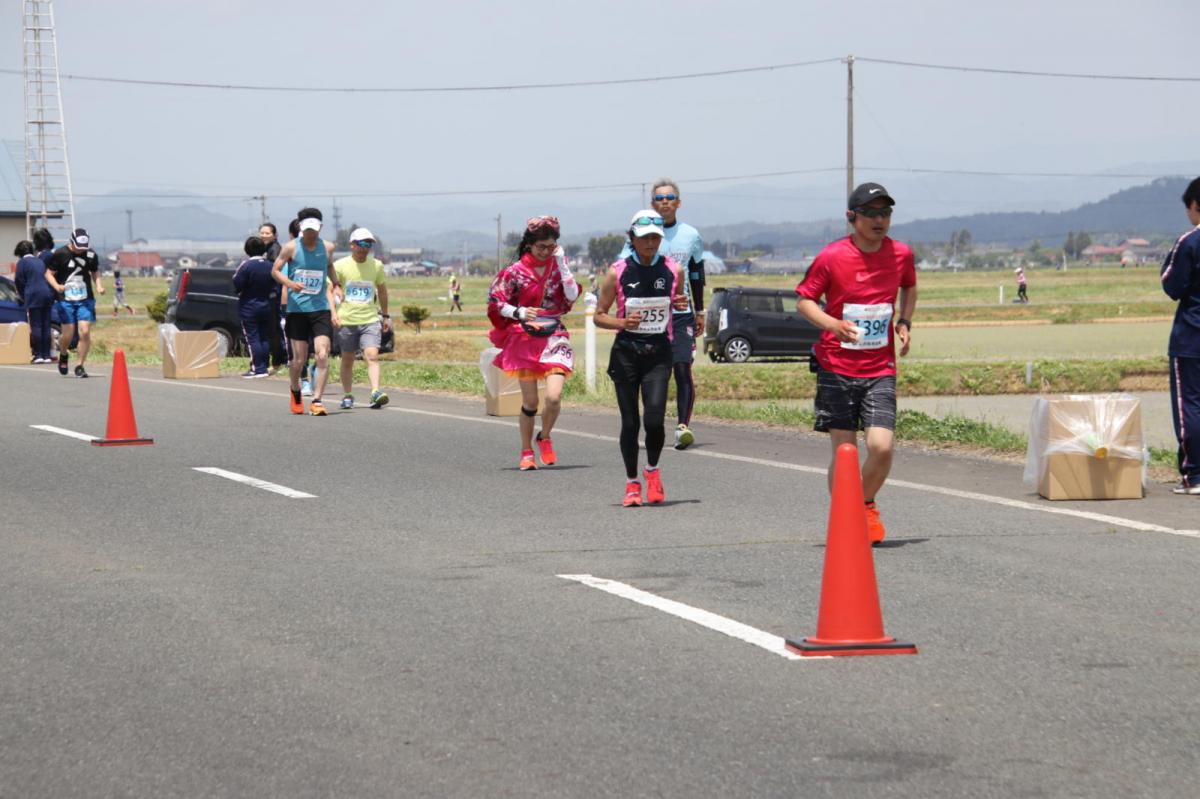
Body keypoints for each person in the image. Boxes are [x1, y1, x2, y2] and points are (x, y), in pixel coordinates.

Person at [795, 182, 918, 544]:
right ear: (853, 218)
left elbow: (909, 286)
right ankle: (845, 518)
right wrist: (833, 324)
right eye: (872, 213)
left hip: (880, 368)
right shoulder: (833, 256)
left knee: (881, 447)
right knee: (846, 452)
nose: (881, 220)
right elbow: (804, 300)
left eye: (886, 213)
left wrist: (904, 322)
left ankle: (864, 504)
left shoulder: (901, 254)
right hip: (836, 366)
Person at [594, 211, 690, 506]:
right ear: (632, 238)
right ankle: (632, 482)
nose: (650, 243)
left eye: (655, 238)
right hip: (626, 353)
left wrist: (680, 303)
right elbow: (599, 316)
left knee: (655, 419)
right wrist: (623, 323)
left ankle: (652, 470)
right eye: (644, 237)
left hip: (659, 352)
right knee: (631, 422)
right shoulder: (617, 272)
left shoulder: (673, 270)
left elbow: (679, 302)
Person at [619, 178, 706, 450]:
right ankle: (652, 423)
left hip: (681, 313)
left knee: (682, 366)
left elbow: (696, 274)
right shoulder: (640, 234)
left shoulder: (691, 235)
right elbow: (623, 269)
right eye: (659, 198)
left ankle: (683, 426)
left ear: (678, 203)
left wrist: (700, 309)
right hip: (649, 315)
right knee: (653, 373)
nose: (665, 201)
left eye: (670, 197)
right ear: (652, 204)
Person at [486, 215, 579, 471]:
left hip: (554, 334)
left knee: (554, 397)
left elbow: (572, 295)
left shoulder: (559, 265)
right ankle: (526, 451)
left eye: (551, 247)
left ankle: (545, 436)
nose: (546, 252)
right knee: (531, 403)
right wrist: (518, 312)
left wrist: (561, 262)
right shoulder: (513, 273)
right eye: (542, 247)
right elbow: (495, 303)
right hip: (524, 337)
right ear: (529, 245)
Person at [272, 209, 341, 415]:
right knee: (299, 360)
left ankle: (317, 400)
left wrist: (336, 284)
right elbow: (274, 270)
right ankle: (295, 390)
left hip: (320, 309)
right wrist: (290, 283)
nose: (311, 234)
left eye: (314, 229)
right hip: (297, 310)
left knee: (322, 354)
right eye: (307, 230)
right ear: (301, 228)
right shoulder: (291, 248)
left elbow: (329, 266)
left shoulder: (328, 247)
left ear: (320, 227)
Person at [1161, 177, 1200, 495]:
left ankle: (1195, 475)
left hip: (1192, 336)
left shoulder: (1189, 242)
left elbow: (1171, 284)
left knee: (1190, 405)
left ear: (1195, 206)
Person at [333, 227, 391, 409]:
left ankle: (375, 392)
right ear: (352, 245)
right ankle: (348, 394)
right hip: (347, 319)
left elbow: (382, 290)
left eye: (368, 244)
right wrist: (334, 313)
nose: (365, 248)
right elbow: (330, 289)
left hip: (370, 319)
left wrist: (386, 315)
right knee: (347, 359)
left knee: (372, 355)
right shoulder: (339, 266)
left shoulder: (376, 265)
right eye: (361, 244)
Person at [45, 228, 104, 378]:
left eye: (83, 247)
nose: (81, 250)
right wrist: (56, 286)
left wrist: (98, 285)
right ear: (72, 242)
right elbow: (49, 273)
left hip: (85, 298)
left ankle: (80, 365)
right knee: (68, 333)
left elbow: (95, 271)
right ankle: (63, 354)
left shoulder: (91, 255)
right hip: (66, 299)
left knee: (85, 331)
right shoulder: (60, 254)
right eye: (78, 247)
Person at [232, 236, 276, 378]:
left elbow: (237, 284)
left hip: (249, 305)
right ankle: (264, 365)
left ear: (247, 250)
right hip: (266, 303)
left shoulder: (246, 266)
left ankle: (258, 368)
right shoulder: (270, 265)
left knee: (252, 338)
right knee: (264, 337)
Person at [14, 238, 54, 363]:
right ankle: (47, 355)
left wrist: (21, 296)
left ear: (19, 252)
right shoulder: (39, 261)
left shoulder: (22, 263)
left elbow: (19, 281)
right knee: (46, 325)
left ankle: (38, 355)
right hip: (47, 294)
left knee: (36, 325)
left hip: (33, 295)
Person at [260, 222, 288, 375]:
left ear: (275, 235)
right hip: (271, 293)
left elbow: (273, 272)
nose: (264, 235)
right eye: (262, 233)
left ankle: (279, 360)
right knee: (272, 329)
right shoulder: (266, 249)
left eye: (267, 233)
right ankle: (278, 359)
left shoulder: (275, 249)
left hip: (275, 294)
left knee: (274, 329)